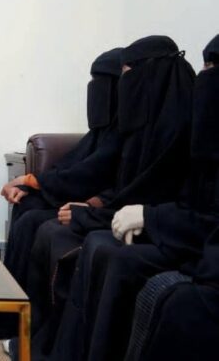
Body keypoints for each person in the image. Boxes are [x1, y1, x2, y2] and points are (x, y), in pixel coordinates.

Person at [48, 35, 219, 361]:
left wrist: (136, 216)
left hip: (187, 242)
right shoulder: (149, 127)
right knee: (89, 240)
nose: (205, 74)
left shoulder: (181, 127)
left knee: (113, 254)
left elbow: (169, 199)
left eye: (212, 66)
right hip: (178, 232)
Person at [0, 48, 123, 340]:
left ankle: (30, 321)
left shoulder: (128, 131)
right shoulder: (103, 130)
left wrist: (33, 179)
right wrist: (28, 184)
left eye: (103, 81)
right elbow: (72, 166)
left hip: (104, 204)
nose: (96, 90)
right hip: (83, 195)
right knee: (26, 204)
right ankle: (10, 312)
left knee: (32, 220)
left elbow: (93, 173)